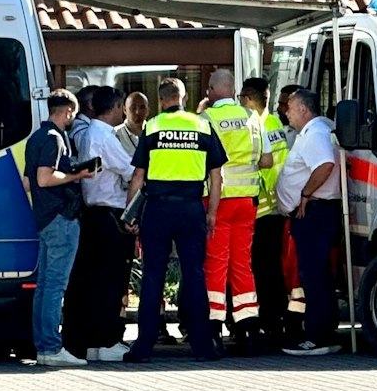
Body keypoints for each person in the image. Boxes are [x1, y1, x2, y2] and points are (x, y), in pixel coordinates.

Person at [125, 77, 227, 364]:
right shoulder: (202, 125)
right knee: (194, 274)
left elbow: (138, 175)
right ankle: (202, 347)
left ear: (160, 100)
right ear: (184, 98)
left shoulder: (153, 126)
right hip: (191, 208)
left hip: (157, 210)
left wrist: (130, 214)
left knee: (153, 275)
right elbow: (217, 176)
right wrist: (212, 213)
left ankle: (143, 348)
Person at [62, 85, 136, 362]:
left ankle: (92, 341)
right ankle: (105, 341)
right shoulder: (104, 136)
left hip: (93, 214)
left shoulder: (89, 133)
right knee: (111, 280)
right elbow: (130, 170)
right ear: (116, 107)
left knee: (92, 280)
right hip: (109, 214)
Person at [202, 75, 272, 348]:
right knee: (242, 262)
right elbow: (266, 160)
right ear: (233, 91)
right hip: (247, 201)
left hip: (218, 201)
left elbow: (202, 162)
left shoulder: (206, 119)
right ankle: (248, 329)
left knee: (216, 263)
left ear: (212, 90)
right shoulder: (252, 117)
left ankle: (213, 328)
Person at [24, 89, 92, 367]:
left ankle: (43, 347)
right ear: (68, 111)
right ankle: (51, 348)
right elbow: (43, 178)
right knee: (55, 286)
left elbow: (28, 183)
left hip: (43, 218)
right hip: (61, 218)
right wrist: (78, 174)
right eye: (73, 114)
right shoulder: (54, 138)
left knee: (44, 286)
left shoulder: (35, 138)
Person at [276, 86, 343, 356]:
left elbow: (324, 165)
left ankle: (318, 336)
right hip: (315, 212)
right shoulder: (318, 129)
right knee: (318, 274)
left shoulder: (315, 133)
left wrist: (305, 194)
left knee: (314, 275)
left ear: (303, 109)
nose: (286, 113)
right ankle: (323, 331)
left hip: (314, 212)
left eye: (290, 108)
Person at [250, 83, 296, 349]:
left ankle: (268, 322)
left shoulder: (257, 126)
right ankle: (275, 322)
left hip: (261, 209)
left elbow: (264, 167)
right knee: (273, 270)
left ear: (248, 98)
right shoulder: (275, 125)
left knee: (262, 271)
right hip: (277, 208)